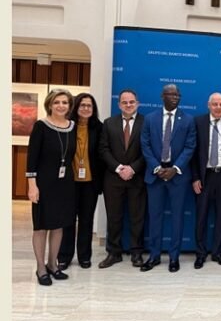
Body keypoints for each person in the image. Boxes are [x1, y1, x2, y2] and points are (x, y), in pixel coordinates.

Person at [139, 84, 197, 273]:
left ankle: (174, 257)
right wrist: (156, 168)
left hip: (177, 176)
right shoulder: (150, 119)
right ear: (162, 96)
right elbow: (145, 145)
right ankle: (154, 256)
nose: (175, 97)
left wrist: (175, 168)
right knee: (154, 217)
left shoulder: (188, 120)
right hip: (155, 175)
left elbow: (190, 146)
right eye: (171, 94)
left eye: (178, 95)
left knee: (177, 217)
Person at [26, 89, 76, 286]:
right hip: (43, 184)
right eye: (57, 102)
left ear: (69, 106)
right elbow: (31, 159)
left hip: (65, 184)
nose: (61, 106)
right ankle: (40, 268)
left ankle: (52, 264)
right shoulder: (41, 126)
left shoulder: (72, 127)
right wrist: (32, 186)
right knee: (41, 226)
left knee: (58, 225)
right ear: (50, 104)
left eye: (64, 102)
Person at [190, 92, 221, 269]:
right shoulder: (198, 122)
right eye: (215, 104)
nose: (218, 107)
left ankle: (217, 252)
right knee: (201, 217)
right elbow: (193, 153)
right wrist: (195, 177)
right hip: (205, 176)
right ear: (208, 105)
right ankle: (200, 253)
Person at [97, 89, 147, 269]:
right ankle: (114, 253)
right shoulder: (109, 123)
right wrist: (119, 168)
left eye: (132, 102)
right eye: (124, 102)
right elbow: (103, 149)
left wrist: (132, 168)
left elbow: (149, 150)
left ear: (137, 103)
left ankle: (136, 252)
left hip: (137, 178)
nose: (128, 105)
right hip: (113, 178)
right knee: (114, 217)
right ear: (119, 105)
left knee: (137, 217)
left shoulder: (146, 123)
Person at [57, 93, 105, 270]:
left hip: (90, 183)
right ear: (76, 107)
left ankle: (84, 256)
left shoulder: (99, 128)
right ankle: (64, 256)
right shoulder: (66, 126)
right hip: (69, 182)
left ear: (93, 109)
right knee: (68, 220)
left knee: (86, 220)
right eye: (82, 105)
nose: (86, 108)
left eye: (89, 106)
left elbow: (102, 155)